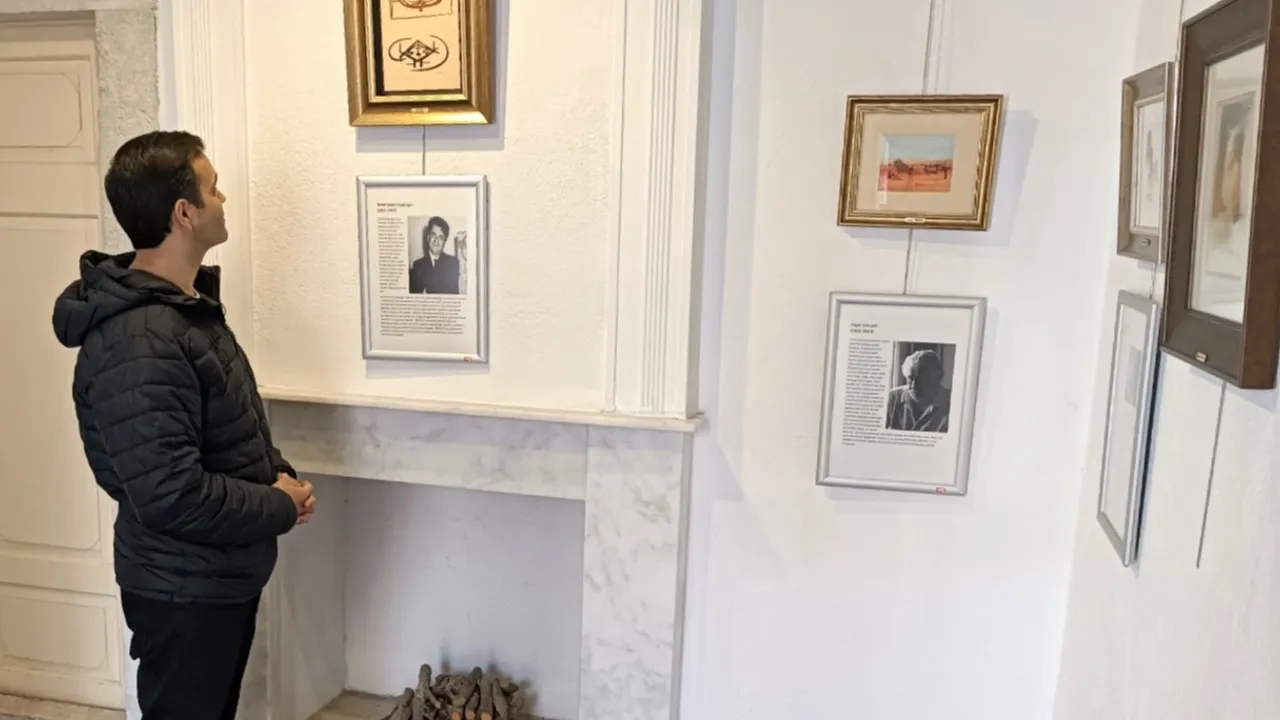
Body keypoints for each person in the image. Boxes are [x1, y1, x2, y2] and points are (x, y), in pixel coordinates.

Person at [50, 130, 316, 719]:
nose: (223, 199)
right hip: (182, 591)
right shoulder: (140, 337)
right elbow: (170, 493)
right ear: (184, 212)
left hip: (211, 581)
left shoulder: (183, 310)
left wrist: (278, 475)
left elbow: (227, 427)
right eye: (213, 188)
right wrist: (277, 506)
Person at [885, 349, 951, 433]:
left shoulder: (953, 403)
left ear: (938, 379)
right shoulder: (892, 398)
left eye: (921, 379)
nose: (914, 385)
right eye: (910, 378)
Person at [408, 215, 468, 294]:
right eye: (433, 235)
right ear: (428, 237)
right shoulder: (418, 266)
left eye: (441, 237)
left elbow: (453, 293)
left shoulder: (453, 263)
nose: (436, 240)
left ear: (444, 242)